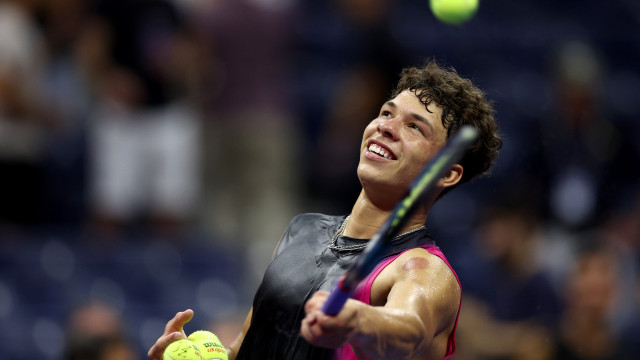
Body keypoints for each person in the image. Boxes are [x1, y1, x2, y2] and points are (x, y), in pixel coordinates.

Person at [148, 60, 502, 359]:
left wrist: (359, 320)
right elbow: (247, 347)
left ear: (448, 173)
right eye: (386, 113)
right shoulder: (302, 230)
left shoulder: (423, 271)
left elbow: (409, 327)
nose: (386, 128)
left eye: (413, 127)